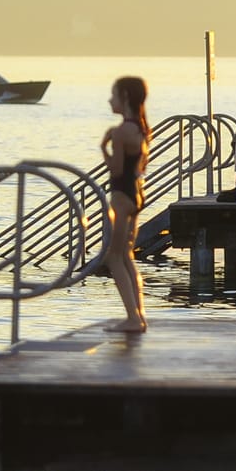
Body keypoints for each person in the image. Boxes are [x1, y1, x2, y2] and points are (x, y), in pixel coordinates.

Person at [100, 75, 151, 335]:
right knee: (127, 256)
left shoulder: (122, 132)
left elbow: (117, 169)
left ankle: (133, 317)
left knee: (114, 257)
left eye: (114, 94)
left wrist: (104, 147)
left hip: (122, 197)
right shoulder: (140, 128)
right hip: (136, 195)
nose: (110, 99)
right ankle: (138, 316)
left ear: (126, 98)